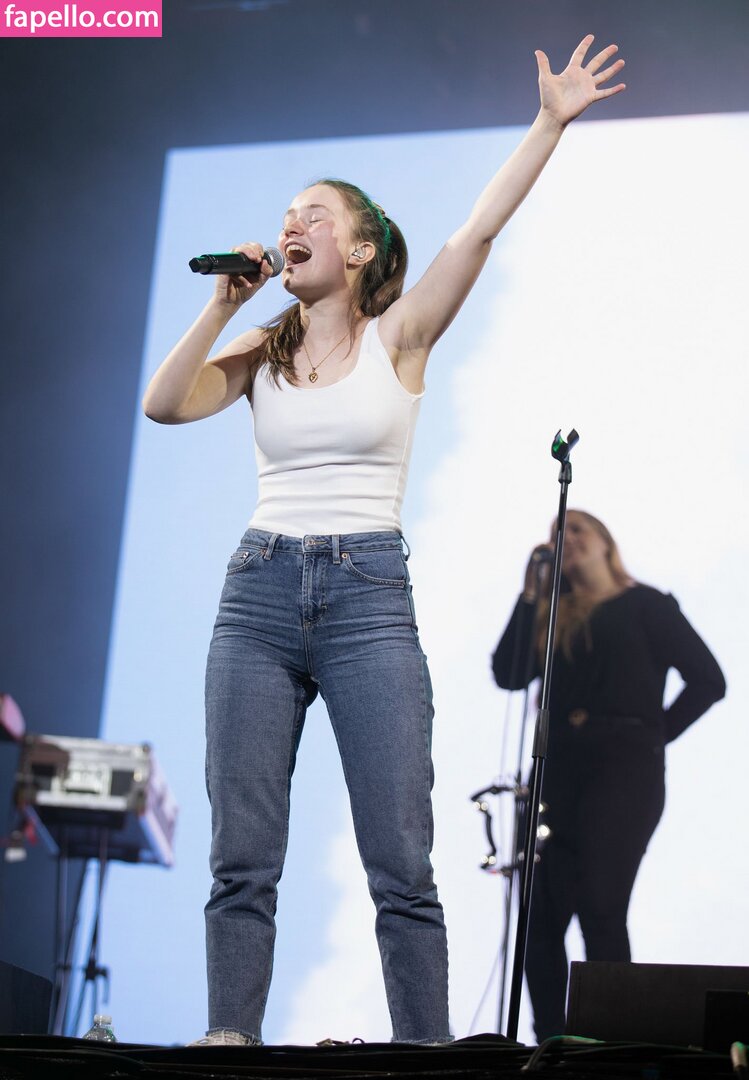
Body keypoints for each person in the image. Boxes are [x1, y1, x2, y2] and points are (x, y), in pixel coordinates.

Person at [143, 37, 627, 1046]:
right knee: (242, 857)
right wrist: (221, 304)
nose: (292, 226)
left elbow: (477, 231)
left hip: (367, 599)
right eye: (286, 217)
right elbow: (164, 403)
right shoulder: (259, 349)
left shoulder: (398, 337)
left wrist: (546, 124)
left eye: (315, 216)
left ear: (360, 250)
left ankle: (423, 1054)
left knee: (401, 861)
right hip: (257, 595)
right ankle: (228, 1040)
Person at [492, 510, 726, 1042]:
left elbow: (708, 680)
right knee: (539, 920)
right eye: (559, 532)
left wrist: (651, 737)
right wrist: (531, 596)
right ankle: (551, 1043)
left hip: (623, 771)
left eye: (578, 529)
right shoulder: (553, 617)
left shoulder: (648, 605)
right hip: (557, 773)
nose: (566, 538)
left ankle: (613, 1039)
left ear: (604, 542)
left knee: (601, 902)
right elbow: (508, 674)